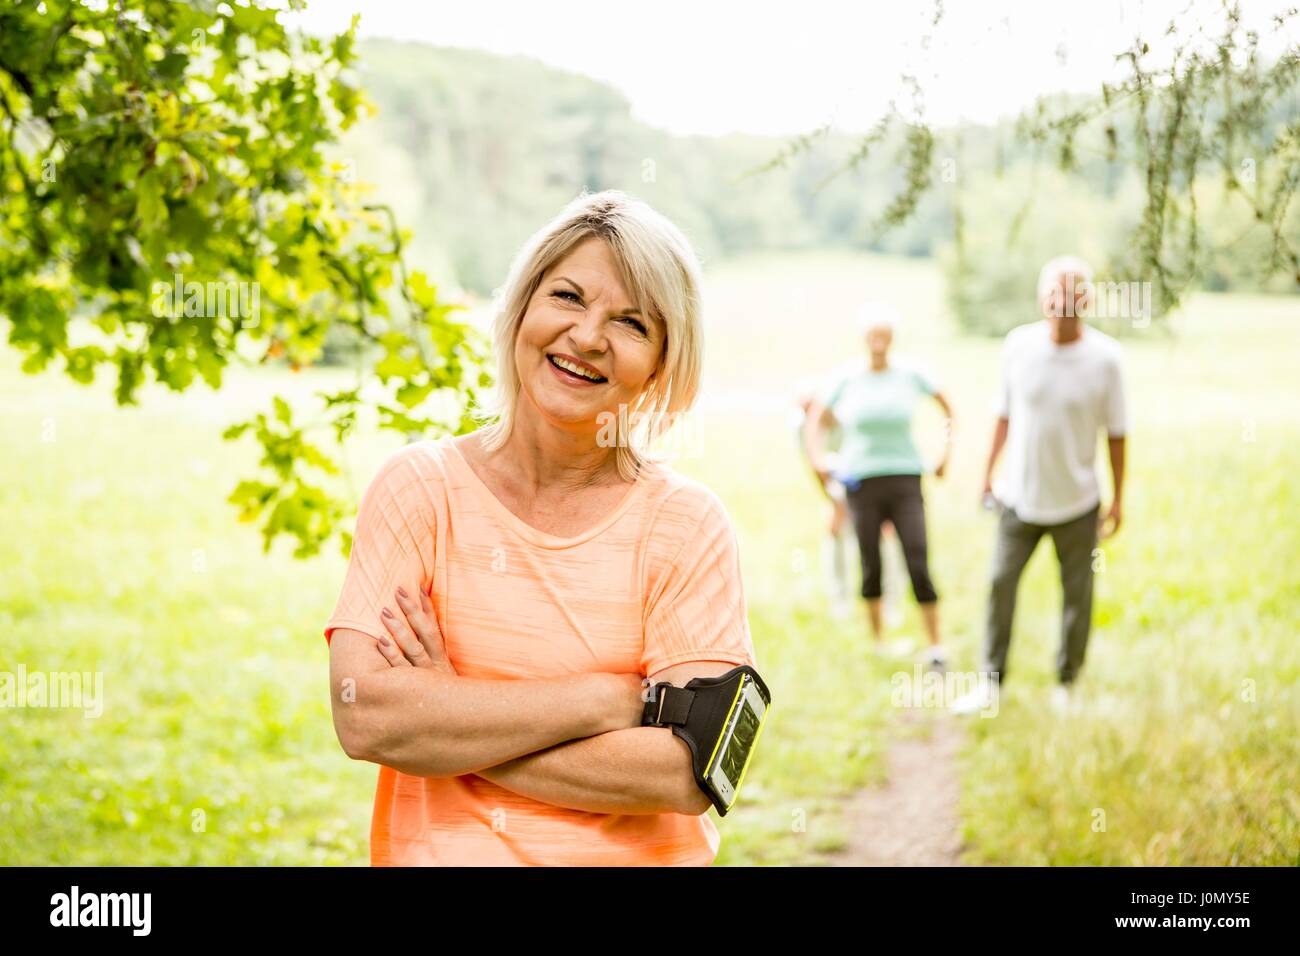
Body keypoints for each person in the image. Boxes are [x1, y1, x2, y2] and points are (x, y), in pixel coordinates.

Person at [323, 190, 758, 865]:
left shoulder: (686, 525)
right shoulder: (419, 490)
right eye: (566, 297)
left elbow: (687, 772)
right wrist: (602, 700)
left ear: (661, 367)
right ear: (521, 307)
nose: (587, 337)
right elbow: (367, 716)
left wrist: (449, 719)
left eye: (631, 323)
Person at [955, 255, 1127, 714]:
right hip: (1018, 499)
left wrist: (1118, 500)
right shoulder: (1018, 346)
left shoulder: (1106, 360)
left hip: (1077, 503)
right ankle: (990, 683)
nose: (1061, 303)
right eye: (1052, 293)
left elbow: (1117, 434)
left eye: (1071, 294)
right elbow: (1003, 415)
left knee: (1077, 597)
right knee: (1000, 585)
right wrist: (986, 474)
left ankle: (1066, 685)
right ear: (1041, 297)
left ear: (1085, 300)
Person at [803, 301, 954, 668]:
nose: (878, 342)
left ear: (892, 338)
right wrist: (819, 460)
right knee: (870, 561)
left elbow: (948, 409)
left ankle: (935, 645)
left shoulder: (910, 374)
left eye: (884, 336)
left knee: (917, 556)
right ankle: (879, 641)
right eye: (873, 335)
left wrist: (944, 454)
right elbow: (816, 422)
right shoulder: (846, 378)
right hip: (862, 481)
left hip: (905, 477)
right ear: (864, 338)